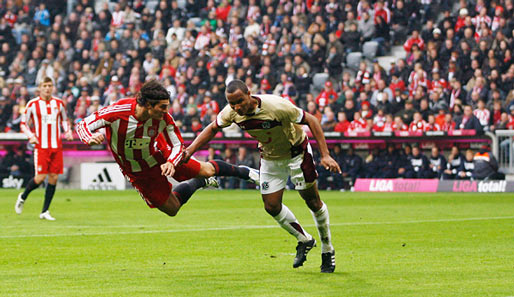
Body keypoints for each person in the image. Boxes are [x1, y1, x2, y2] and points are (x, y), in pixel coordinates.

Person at [183, 79, 340, 273]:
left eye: (240, 101)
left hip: (296, 155)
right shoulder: (231, 112)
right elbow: (213, 128)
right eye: (232, 103)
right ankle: (304, 239)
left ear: (249, 93)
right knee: (271, 206)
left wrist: (325, 154)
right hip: (270, 158)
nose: (237, 107)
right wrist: (190, 150)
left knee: (313, 202)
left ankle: (327, 249)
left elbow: (312, 120)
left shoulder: (276, 106)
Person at [76, 80, 259, 217]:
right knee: (172, 209)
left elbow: (178, 144)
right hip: (137, 171)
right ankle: (199, 183)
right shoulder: (118, 112)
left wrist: (171, 161)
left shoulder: (164, 118)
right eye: (162, 107)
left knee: (206, 170)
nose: (166, 111)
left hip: (161, 155)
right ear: (148, 106)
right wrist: (90, 137)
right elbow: (82, 125)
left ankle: (248, 173)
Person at [15, 77, 73, 220]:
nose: (47, 88)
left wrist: (68, 131)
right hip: (41, 146)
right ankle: (23, 196)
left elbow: (64, 119)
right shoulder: (32, 104)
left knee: (53, 177)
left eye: (50, 85)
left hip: (56, 146)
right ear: (39, 88)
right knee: (40, 178)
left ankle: (45, 211)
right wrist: (31, 136)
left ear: (53, 87)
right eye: (45, 86)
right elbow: (23, 124)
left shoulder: (59, 103)